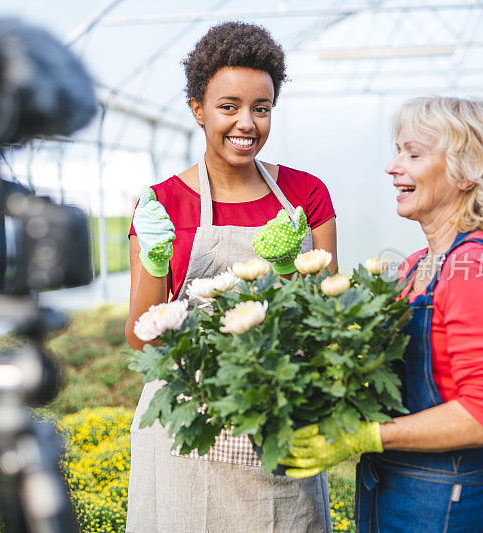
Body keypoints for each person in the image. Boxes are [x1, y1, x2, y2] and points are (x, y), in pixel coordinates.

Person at [279, 96, 483, 532]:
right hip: (392, 494)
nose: (392, 166)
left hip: (443, 507)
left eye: (413, 154)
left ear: (467, 169)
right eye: (398, 150)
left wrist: (369, 435)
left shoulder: (475, 269)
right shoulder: (417, 265)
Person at [125, 22, 337, 532]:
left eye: (261, 108)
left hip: (278, 417)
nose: (247, 122)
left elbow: (326, 324)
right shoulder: (162, 204)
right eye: (228, 106)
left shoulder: (307, 195)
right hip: (185, 428)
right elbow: (138, 341)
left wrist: (289, 271)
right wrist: (156, 265)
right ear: (197, 108)